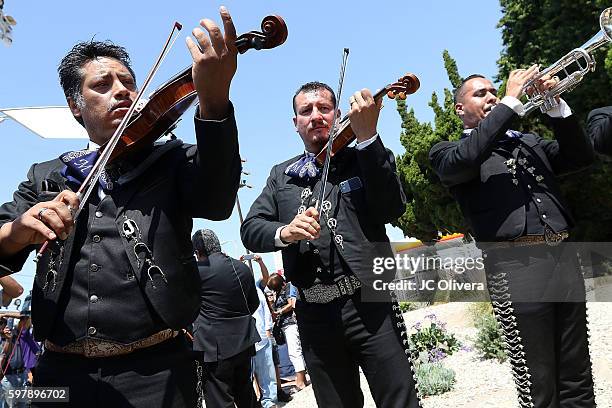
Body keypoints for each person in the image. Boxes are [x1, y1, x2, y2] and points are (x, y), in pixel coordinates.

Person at [0, 7, 241, 407]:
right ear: (75, 105)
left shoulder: (171, 160)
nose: (122, 90)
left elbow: (217, 200)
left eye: (128, 82)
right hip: (55, 374)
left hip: (158, 370)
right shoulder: (47, 175)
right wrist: (23, 227)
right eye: (103, 84)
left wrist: (213, 102)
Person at [241, 81, 420, 407]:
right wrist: (285, 232)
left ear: (338, 115)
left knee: (400, 400)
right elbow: (250, 228)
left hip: (371, 303)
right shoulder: (281, 176)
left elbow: (392, 207)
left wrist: (367, 139)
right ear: (295, 123)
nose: (315, 116)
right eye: (305, 111)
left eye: (324, 108)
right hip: (314, 315)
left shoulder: (363, 157)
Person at [429, 69, 595, 407]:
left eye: (493, 91)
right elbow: (469, 157)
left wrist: (556, 108)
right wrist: (509, 100)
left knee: (577, 374)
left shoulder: (528, 141)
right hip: (515, 268)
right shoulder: (449, 152)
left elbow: (581, 157)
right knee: (539, 382)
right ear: (460, 109)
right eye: (480, 94)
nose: (490, 96)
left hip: (563, 258)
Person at [191, 229, 260, 408]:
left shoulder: (198, 272)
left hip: (214, 348)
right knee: (246, 394)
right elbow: (253, 304)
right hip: (244, 342)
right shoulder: (242, 268)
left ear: (197, 252)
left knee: (220, 400)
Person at [266, 273, 307, 391]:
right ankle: (301, 379)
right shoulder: (280, 291)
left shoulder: (288, 287)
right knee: (294, 352)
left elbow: (291, 304)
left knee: (295, 351)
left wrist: (278, 312)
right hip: (285, 324)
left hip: (291, 324)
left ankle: (300, 381)